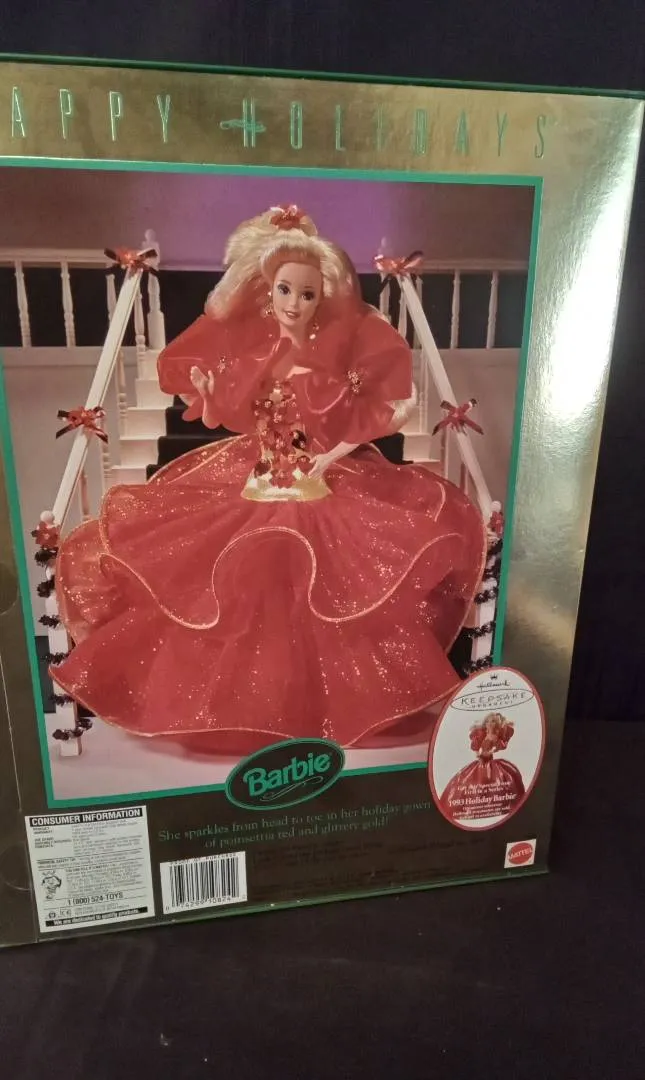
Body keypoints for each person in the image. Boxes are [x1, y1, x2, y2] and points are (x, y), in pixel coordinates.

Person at [52, 205, 487, 756]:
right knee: (238, 586)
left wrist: (329, 460)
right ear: (267, 292)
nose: (295, 304)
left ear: (322, 298)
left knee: (326, 591)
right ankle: (251, 707)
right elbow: (222, 417)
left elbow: (376, 417)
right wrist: (209, 394)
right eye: (286, 291)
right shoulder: (256, 358)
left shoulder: (330, 364)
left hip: (312, 484)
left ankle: (314, 705)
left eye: (307, 294)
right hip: (258, 479)